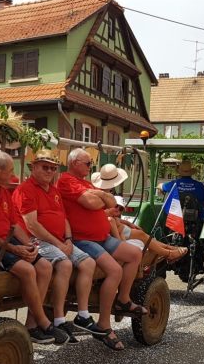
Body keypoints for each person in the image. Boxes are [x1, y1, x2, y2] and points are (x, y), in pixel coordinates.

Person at [0, 150, 70, 345]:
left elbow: (14, 225)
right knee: (28, 270)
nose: (13, 174)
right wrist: (13, 248)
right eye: (10, 170)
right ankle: (45, 322)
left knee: (44, 266)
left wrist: (29, 245)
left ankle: (32, 324)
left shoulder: (3, 191)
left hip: (9, 242)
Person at [57, 148, 145, 352]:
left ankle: (123, 299)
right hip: (83, 238)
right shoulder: (66, 180)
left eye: (91, 164)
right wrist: (101, 196)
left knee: (135, 254)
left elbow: (107, 202)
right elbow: (90, 202)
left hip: (102, 237)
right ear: (74, 163)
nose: (90, 167)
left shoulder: (86, 183)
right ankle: (104, 323)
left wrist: (99, 197)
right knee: (115, 270)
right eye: (87, 163)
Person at [11, 150, 102, 342]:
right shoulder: (25, 189)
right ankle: (38, 322)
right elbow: (31, 225)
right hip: (35, 240)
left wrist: (68, 239)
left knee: (88, 264)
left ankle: (70, 317)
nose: (49, 171)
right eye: (45, 167)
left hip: (60, 240)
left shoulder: (53, 190)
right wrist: (59, 243)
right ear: (33, 167)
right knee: (65, 264)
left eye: (53, 168)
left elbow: (64, 218)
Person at [92, 164, 188, 262]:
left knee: (142, 234)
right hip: (111, 229)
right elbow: (102, 216)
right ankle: (169, 252)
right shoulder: (100, 197)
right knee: (141, 235)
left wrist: (128, 223)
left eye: (120, 208)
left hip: (116, 227)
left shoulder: (104, 194)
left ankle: (169, 249)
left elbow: (161, 186)